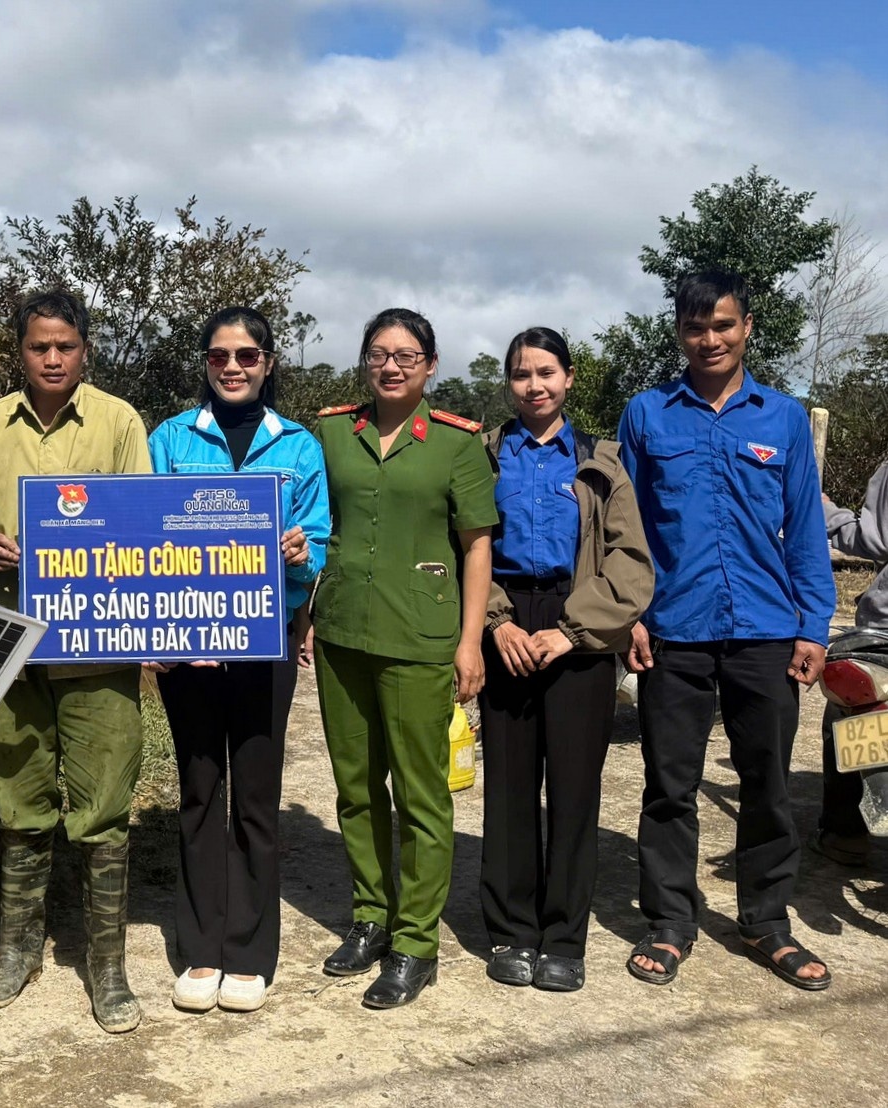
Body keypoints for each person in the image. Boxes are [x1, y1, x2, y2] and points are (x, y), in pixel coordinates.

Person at [620, 270, 836, 991]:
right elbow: (626, 530)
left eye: (721, 325)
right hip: (672, 630)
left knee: (766, 782)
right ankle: (669, 921)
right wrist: (631, 616)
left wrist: (813, 626)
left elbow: (805, 529)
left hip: (766, 629)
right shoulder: (646, 415)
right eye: (694, 327)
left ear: (746, 328)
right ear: (679, 333)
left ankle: (766, 922)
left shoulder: (782, 418)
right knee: (668, 784)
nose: (708, 339)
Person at [0, 289, 153, 1033]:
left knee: (103, 809)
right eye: (38, 346)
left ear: (84, 351)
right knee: (19, 801)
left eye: (64, 347)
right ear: (20, 352)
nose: (51, 358)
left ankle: (106, 968)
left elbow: (142, 521)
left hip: (97, 647)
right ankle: (17, 953)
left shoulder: (118, 421)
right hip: (11, 642)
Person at [303, 308, 497, 1009]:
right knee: (356, 788)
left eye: (406, 356)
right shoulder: (332, 433)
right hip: (342, 634)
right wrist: (304, 614)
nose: (391, 366)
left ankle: (415, 941)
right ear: (364, 361)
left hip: (420, 638)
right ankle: (370, 918)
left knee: (420, 795)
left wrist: (469, 641)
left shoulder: (456, 443)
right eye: (379, 354)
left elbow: (477, 545)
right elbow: (312, 526)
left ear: (430, 366)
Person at [146, 306, 329, 1014]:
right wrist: (158, 635)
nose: (232, 367)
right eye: (219, 355)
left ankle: (249, 952)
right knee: (199, 792)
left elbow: (318, 543)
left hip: (265, 642)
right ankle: (201, 947)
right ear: (204, 362)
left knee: (255, 795)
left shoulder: (299, 447)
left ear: (268, 363)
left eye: (247, 355)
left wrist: (300, 554)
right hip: (188, 647)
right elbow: (142, 538)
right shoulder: (169, 439)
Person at [478, 327, 653, 992]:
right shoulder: (483, 456)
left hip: (579, 627)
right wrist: (496, 622)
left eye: (546, 372)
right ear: (509, 382)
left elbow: (629, 562)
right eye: (522, 374)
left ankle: (563, 937)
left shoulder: (601, 463)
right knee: (509, 787)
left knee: (575, 791)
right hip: (504, 621)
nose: (534, 386)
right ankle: (511, 930)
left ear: (569, 377)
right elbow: (465, 545)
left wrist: (571, 632)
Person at [815, 459, 888, 865]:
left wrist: (827, 511)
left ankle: (846, 831)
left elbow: (875, 540)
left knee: (850, 702)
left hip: (884, 629)